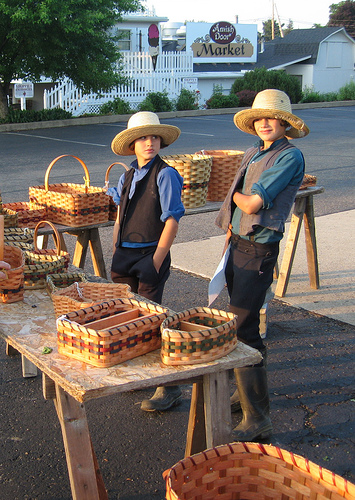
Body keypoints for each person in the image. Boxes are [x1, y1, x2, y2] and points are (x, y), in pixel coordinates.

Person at [214, 89, 309, 441]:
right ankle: (244, 393)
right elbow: (237, 210)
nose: (265, 122)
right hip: (239, 245)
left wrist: (233, 192)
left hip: (258, 251)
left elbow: (251, 205)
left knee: (243, 328)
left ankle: (259, 418)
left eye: (273, 117)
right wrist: (230, 227)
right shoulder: (255, 150)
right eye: (260, 117)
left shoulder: (290, 157)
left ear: (284, 122)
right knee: (241, 322)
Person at [110, 111, 185, 412]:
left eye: (154, 137)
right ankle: (141, 374)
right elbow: (120, 213)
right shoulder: (127, 174)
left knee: (153, 321)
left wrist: (156, 260)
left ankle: (169, 386)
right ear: (132, 145)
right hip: (124, 254)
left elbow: (172, 220)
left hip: (150, 254)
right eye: (142, 138)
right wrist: (116, 245)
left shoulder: (165, 174)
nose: (149, 142)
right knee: (128, 318)